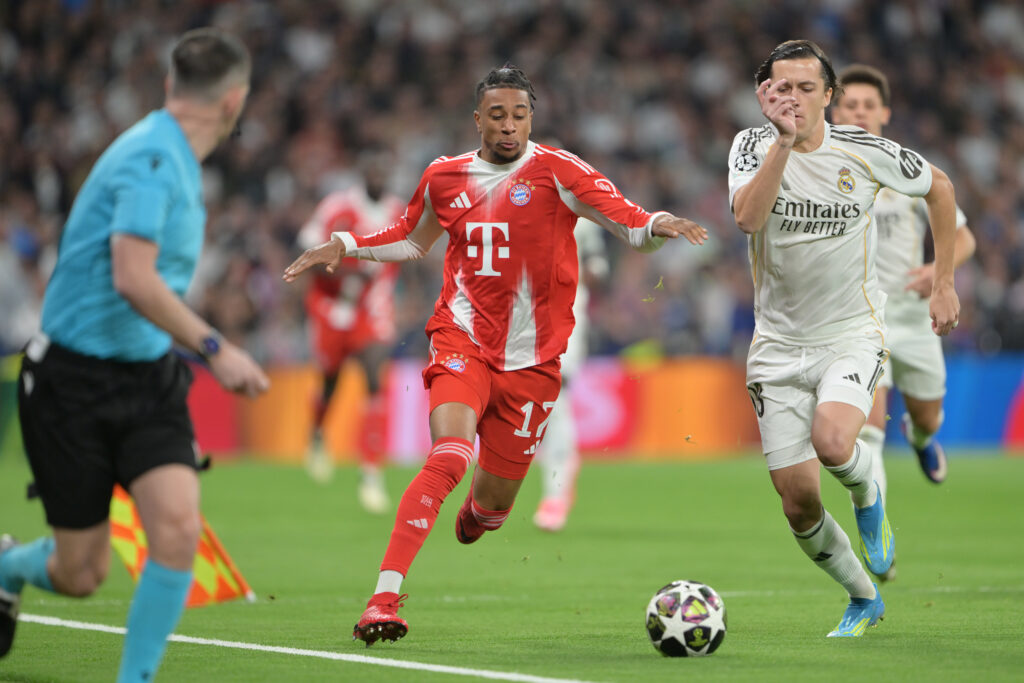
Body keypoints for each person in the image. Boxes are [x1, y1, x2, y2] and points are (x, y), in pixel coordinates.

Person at [284, 64, 707, 645]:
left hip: (534, 364)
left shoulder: (559, 170)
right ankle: (383, 599)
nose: (509, 126)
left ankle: (478, 513)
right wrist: (346, 244)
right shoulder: (444, 176)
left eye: (519, 115)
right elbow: (410, 237)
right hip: (462, 340)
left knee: (489, 512)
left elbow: (627, 220)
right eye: (498, 115)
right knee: (450, 454)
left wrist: (661, 222)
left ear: (531, 119)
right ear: (478, 120)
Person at [0, 29, 269, 681]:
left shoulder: (173, 154)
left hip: (147, 377)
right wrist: (216, 347)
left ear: (173, 85)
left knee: (177, 529)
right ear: (234, 101)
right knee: (80, 573)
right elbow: (133, 277)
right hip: (72, 382)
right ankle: (7, 565)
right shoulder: (152, 158)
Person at [728, 40, 960, 637]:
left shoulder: (865, 150)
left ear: (828, 95)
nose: (795, 98)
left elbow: (939, 187)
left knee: (833, 443)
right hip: (776, 347)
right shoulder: (751, 145)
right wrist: (782, 142)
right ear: (764, 94)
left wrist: (943, 282)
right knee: (797, 502)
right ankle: (862, 597)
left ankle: (867, 496)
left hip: (850, 333)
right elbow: (748, 219)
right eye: (783, 88)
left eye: (807, 88)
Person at [832, 64, 976, 502]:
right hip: (859, 319)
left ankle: (920, 436)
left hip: (913, 318)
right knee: (870, 429)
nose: (859, 112)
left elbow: (965, 238)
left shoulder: (904, 168)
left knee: (929, 418)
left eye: (868, 105)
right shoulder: (822, 170)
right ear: (834, 112)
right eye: (850, 105)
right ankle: (876, 526)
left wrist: (938, 273)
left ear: (885, 113)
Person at [297, 153, 404, 513]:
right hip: (331, 308)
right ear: (363, 174)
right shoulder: (339, 206)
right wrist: (343, 273)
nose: (379, 176)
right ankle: (316, 434)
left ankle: (371, 473)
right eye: (373, 169)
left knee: (375, 379)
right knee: (330, 379)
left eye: (384, 170)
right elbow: (306, 246)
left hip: (372, 311)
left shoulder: (398, 211)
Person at [532, 217, 608, 532]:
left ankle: (555, 495)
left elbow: (598, 266)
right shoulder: (517, 202)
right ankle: (559, 474)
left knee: (556, 394)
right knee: (536, 403)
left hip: (567, 315)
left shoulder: (581, 215)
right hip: (523, 317)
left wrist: (580, 272)